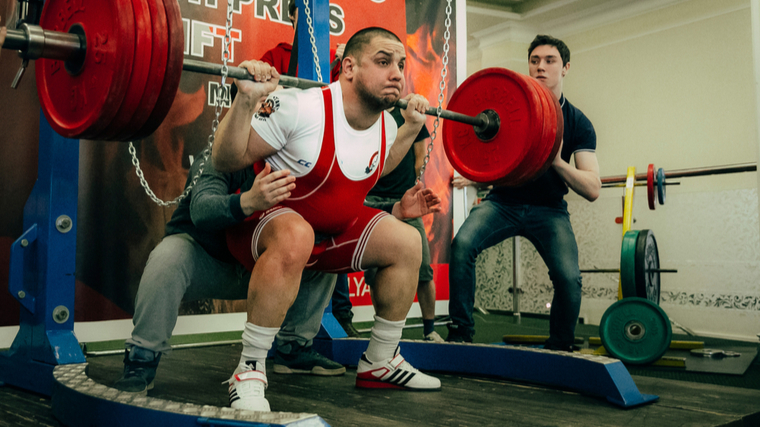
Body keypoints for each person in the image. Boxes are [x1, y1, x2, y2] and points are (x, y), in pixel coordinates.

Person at [213, 27, 443, 412]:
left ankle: (381, 361)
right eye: (384, 62)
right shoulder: (298, 107)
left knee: (407, 241)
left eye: (401, 65)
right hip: (264, 232)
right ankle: (248, 370)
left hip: (327, 238)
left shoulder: (386, 124)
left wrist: (411, 129)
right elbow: (226, 160)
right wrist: (245, 102)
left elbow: (377, 166)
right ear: (349, 68)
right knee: (296, 233)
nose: (398, 74)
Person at [113, 149, 346, 396]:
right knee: (168, 256)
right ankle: (142, 357)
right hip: (207, 258)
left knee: (321, 251)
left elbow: (347, 207)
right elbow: (202, 209)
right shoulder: (221, 156)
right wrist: (248, 201)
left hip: (261, 267)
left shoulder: (304, 162)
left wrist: (389, 209)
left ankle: (294, 348)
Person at [446, 35, 600, 352]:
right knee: (462, 245)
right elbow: (495, 158)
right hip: (504, 202)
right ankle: (461, 333)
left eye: (549, 61)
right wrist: (477, 176)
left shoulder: (577, 122)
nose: (540, 67)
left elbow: (592, 188)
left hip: (550, 210)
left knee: (569, 280)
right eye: (534, 60)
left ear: (566, 67)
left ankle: (560, 346)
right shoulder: (511, 111)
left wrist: (555, 161)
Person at [334, 106, 443, 343]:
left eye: (399, 66)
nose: (393, 73)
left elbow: (419, 161)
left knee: (423, 270)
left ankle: (430, 329)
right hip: (372, 201)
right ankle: (382, 329)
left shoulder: (411, 116)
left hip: (404, 200)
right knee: (376, 271)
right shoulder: (369, 115)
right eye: (384, 65)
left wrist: (405, 191)